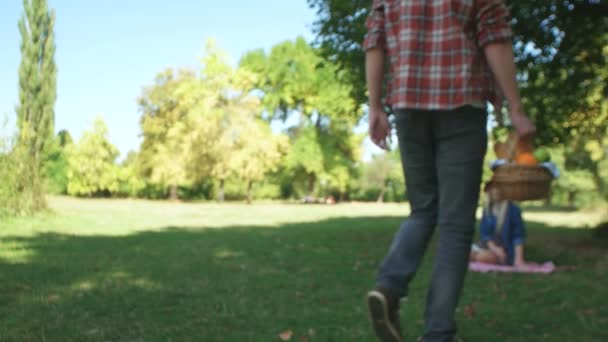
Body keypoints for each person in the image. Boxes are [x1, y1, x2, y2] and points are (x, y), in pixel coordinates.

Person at [363, 1, 536, 341]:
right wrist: (516, 107)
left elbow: (375, 41)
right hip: (461, 102)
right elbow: (495, 38)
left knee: (423, 210)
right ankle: (438, 333)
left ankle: (389, 286)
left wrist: (374, 106)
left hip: (408, 105)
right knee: (455, 226)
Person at [470, 183, 527, 267]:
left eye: (499, 188)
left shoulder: (513, 210)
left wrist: (519, 259)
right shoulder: (486, 210)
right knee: (463, 252)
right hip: (488, 247)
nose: (496, 191)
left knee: (481, 257)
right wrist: (495, 248)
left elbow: (518, 236)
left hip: (505, 251)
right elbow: (485, 235)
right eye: (493, 188)